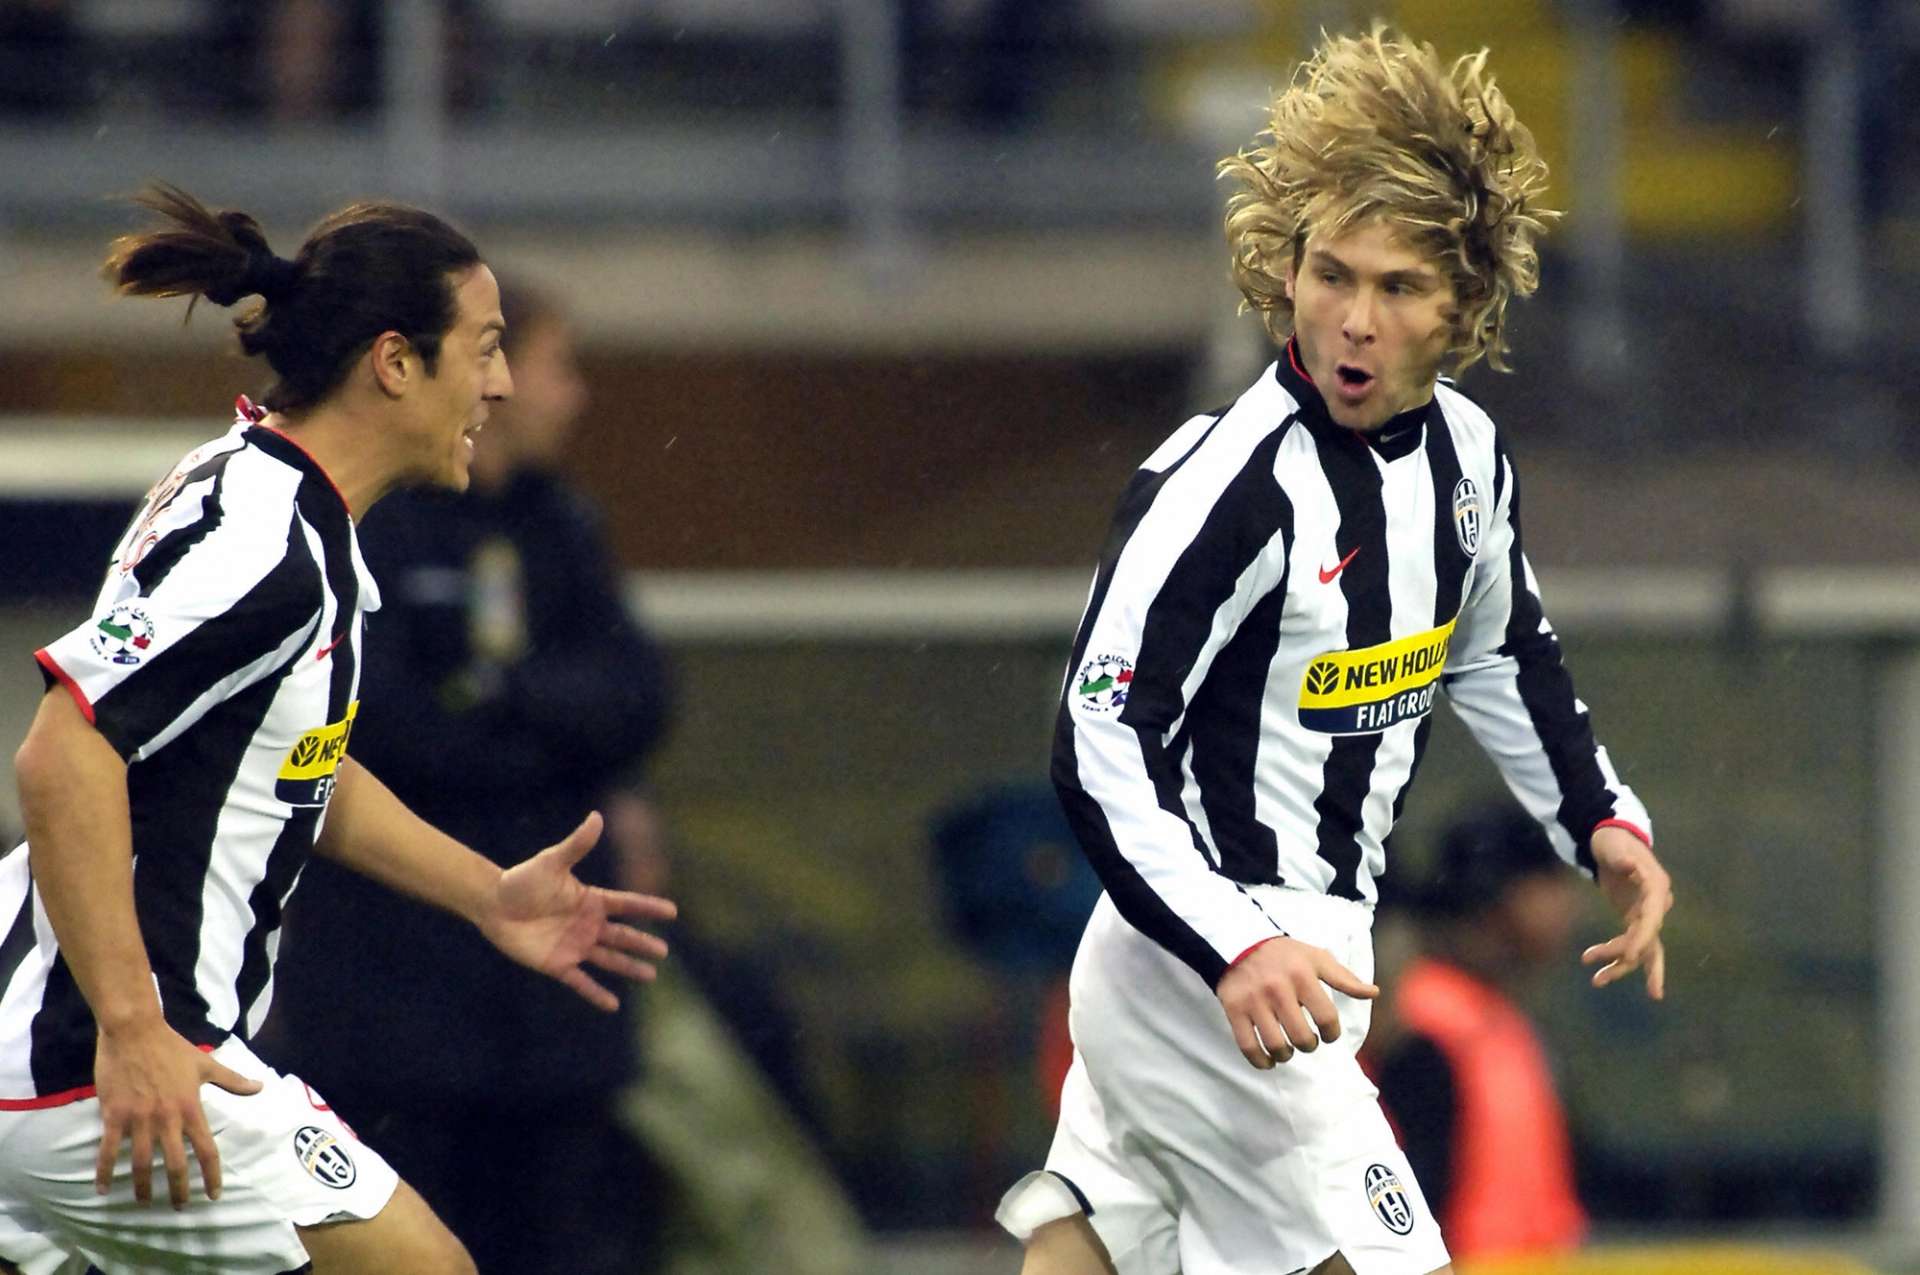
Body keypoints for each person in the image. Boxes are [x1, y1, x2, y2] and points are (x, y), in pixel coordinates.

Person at [995, 26, 1674, 1275]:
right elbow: (1099, 736)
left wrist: (1602, 822)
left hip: (1302, 951)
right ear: (1285, 268)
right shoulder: (1228, 483)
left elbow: (1502, 651)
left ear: (1463, 302)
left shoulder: (1467, 458)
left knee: (1093, 1248)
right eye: (1330, 274)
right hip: (1212, 959)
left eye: (1398, 288)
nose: (1353, 322)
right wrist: (1235, 943)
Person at [0, 185, 675, 1275]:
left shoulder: (267, 493)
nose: (500, 384)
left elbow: (283, 763)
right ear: (396, 362)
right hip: (103, 1058)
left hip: (58, 1039)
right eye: (486, 348)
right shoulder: (269, 548)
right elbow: (62, 753)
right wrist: (133, 1027)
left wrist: (486, 892)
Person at [264, 275, 674, 1275]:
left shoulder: (561, 524)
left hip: (550, 1013)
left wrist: (495, 691)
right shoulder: (357, 525)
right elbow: (367, 733)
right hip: (390, 1000)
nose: (556, 394)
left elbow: (637, 697)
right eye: (530, 362)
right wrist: (541, 732)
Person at [1369, 804, 1588, 1262]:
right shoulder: (1422, 1025)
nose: (1569, 906)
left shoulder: (1496, 1018)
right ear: (1498, 896)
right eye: (1550, 883)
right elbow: (1413, 1198)